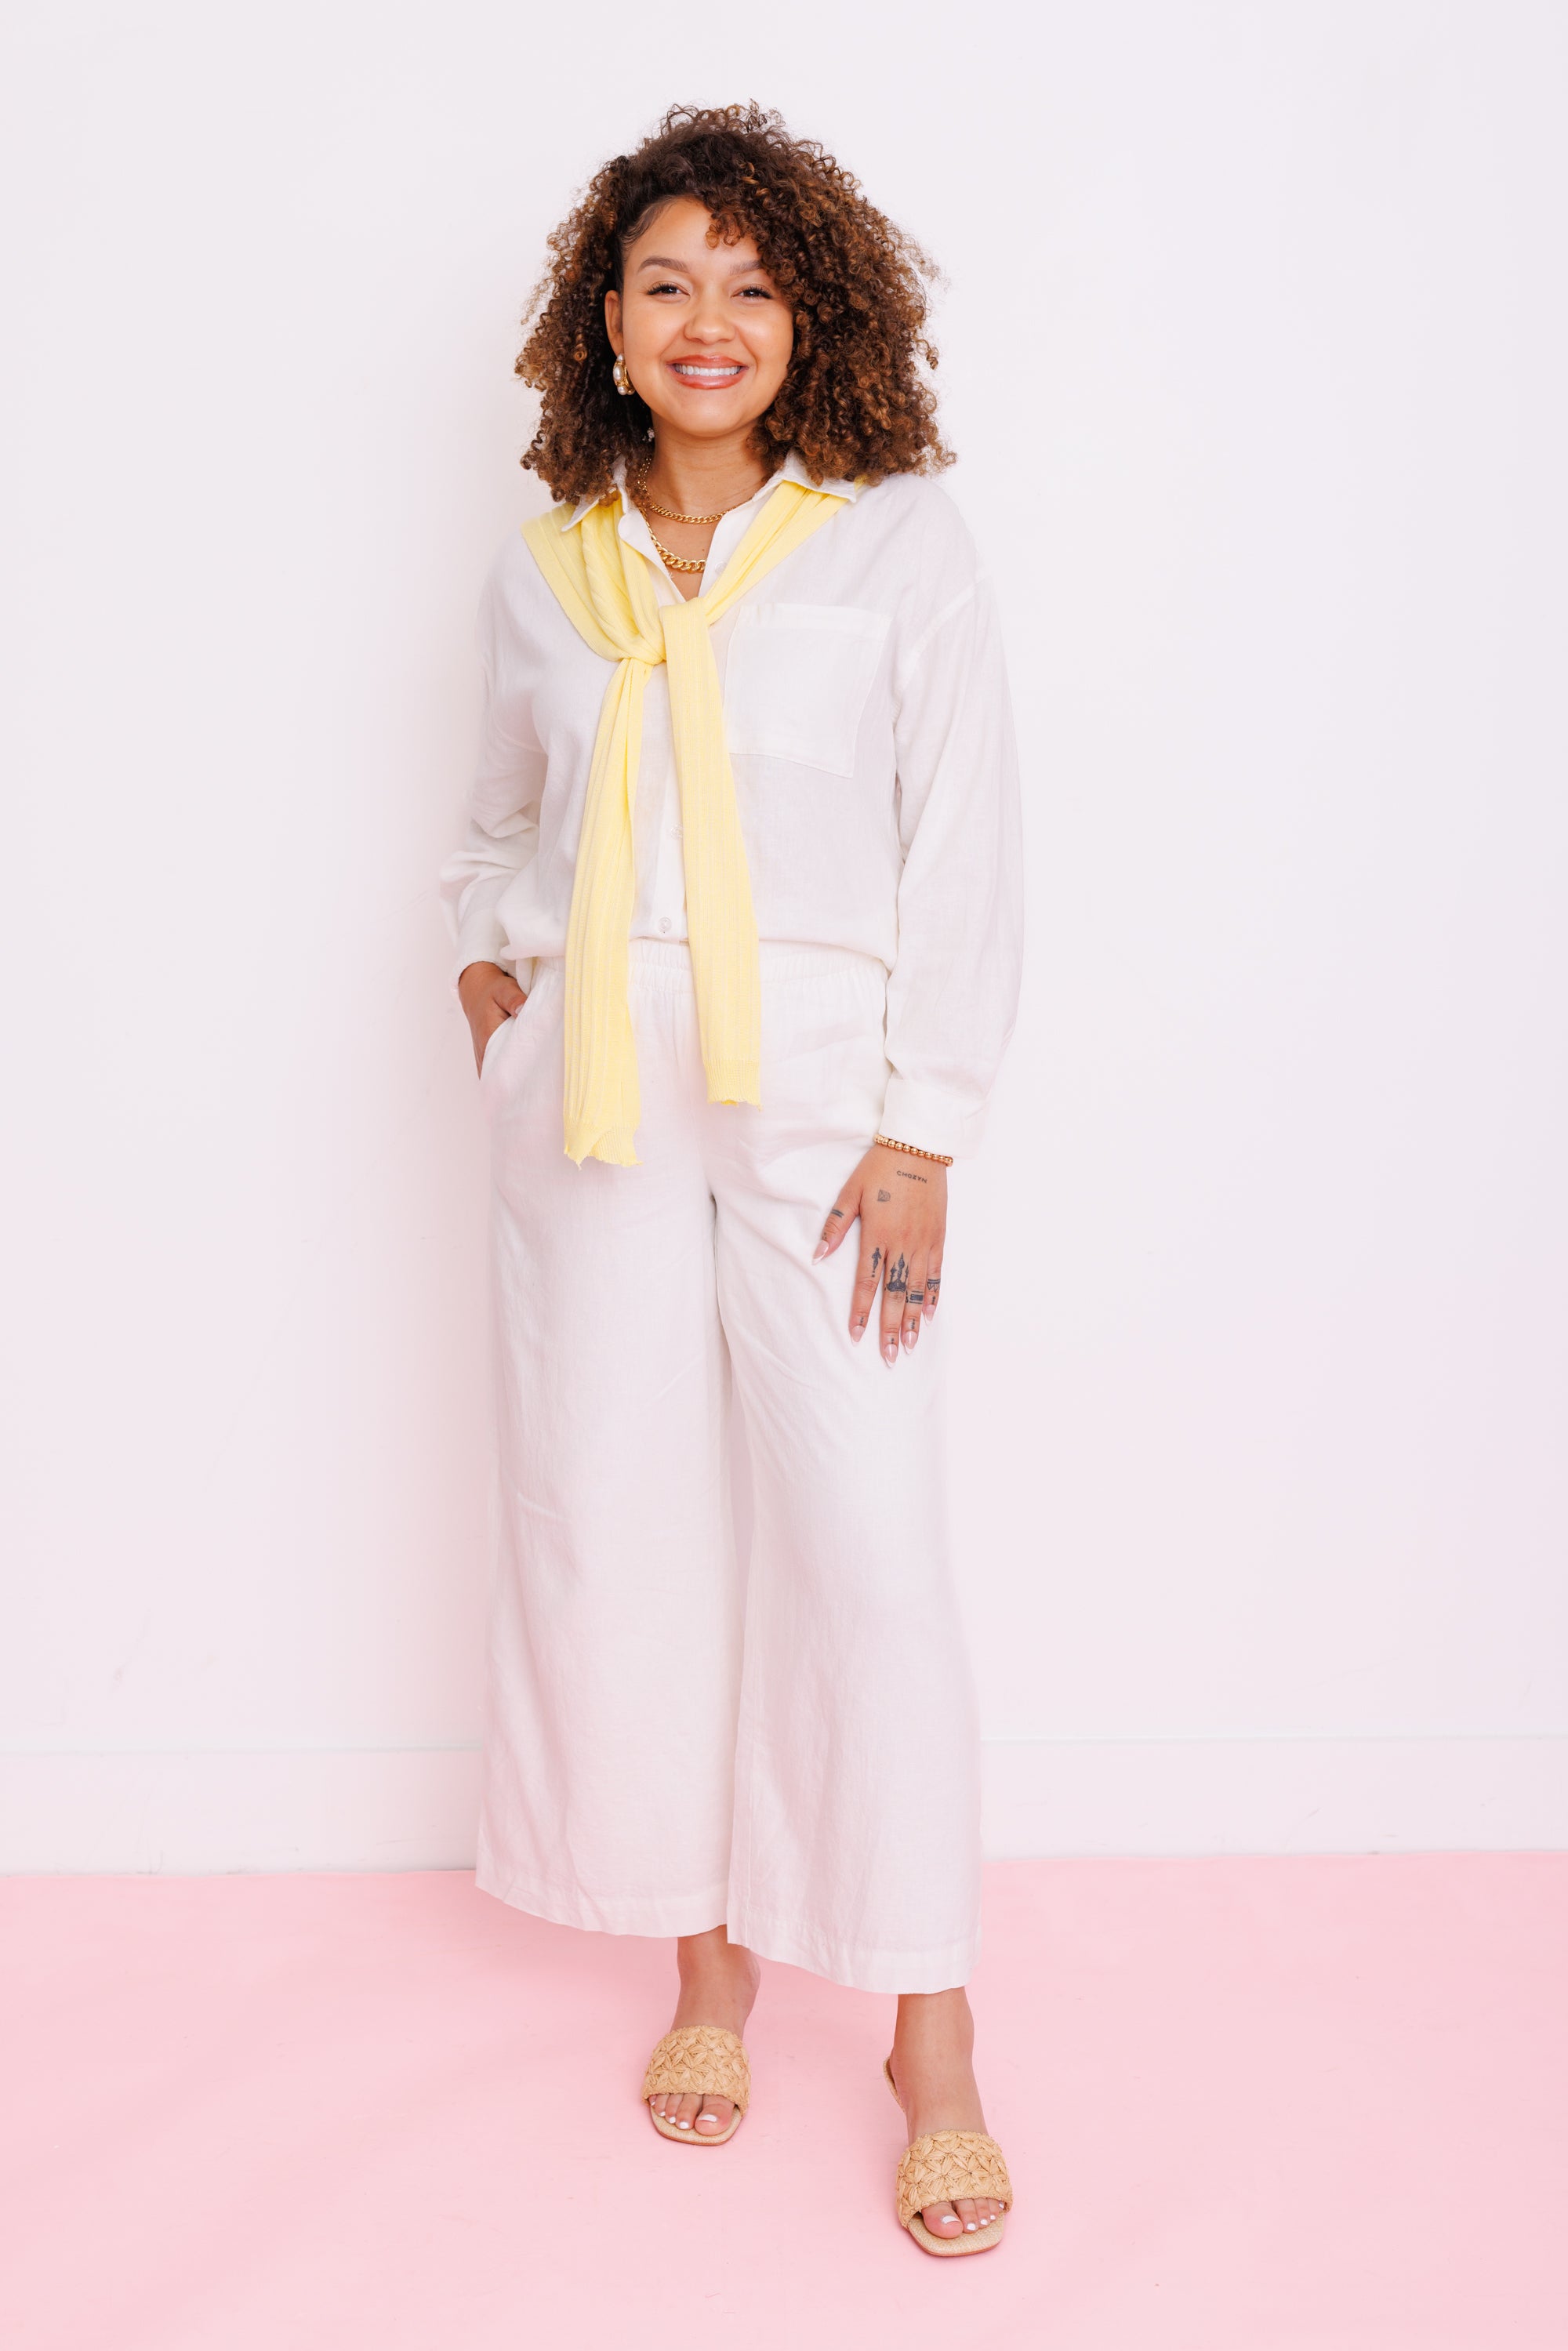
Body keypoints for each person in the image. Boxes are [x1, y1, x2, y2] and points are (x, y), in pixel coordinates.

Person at [440, 103, 1023, 2255]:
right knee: (626, 1533)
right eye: (668, 281)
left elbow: (969, 838)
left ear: (811, 319)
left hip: (825, 1128)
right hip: (591, 1108)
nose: (711, 321)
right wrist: (491, 975)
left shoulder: (894, 547)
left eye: (754, 286)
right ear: (605, 321)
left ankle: (932, 2035)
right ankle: (708, 1969)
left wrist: (926, 1124)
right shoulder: (547, 572)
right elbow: (493, 819)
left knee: (868, 1553)